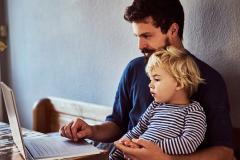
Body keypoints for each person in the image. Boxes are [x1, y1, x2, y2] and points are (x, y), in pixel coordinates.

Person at [60, 0, 234, 159]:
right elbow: (116, 124)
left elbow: (225, 152)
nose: (140, 46)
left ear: (173, 30)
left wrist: (164, 159)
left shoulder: (208, 79)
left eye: (147, 36)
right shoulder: (134, 69)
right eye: (137, 37)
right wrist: (90, 130)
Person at [109, 46, 207, 160]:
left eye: (156, 79)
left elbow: (189, 142)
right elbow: (139, 128)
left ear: (179, 83)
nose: (150, 85)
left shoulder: (193, 111)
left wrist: (150, 147)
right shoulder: (155, 106)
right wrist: (124, 142)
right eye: (150, 79)